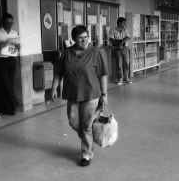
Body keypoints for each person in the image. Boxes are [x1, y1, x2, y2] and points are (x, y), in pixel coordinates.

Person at [51, 25, 109, 167]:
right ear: (74, 39)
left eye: (86, 37)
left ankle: (86, 154)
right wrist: (54, 87)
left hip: (91, 94)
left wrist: (104, 94)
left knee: (86, 125)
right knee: (73, 121)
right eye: (80, 38)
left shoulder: (96, 52)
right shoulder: (66, 53)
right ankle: (88, 138)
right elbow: (59, 73)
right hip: (72, 94)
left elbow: (103, 75)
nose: (84, 40)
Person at [0, 13, 20, 115]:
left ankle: (8, 107)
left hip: (12, 60)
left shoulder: (14, 33)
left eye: (11, 23)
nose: (9, 25)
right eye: (7, 23)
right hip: (1, 61)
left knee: (10, 84)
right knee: (5, 85)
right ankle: (14, 104)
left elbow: (19, 48)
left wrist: (17, 45)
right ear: (3, 22)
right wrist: (1, 44)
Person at [110, 17, 132, 85]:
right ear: (119, 23)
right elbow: (111, 39)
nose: (124, 24)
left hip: (125, 48)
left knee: (126, 63)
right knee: (119, 64)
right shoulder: (113, 30)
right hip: (117, 49)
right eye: (123, 22)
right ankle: (119, 79)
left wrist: (122, 42)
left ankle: (126, 78)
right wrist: (118, 43)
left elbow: (128, 37)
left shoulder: (125, 30)